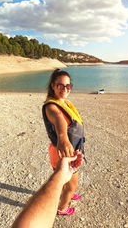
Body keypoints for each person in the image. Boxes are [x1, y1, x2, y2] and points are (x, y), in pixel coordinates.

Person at [42, 69, 86, 215]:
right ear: (53, 86)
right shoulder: (51, 106)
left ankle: (66, 190)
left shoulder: (64, 102)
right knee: (73, 184)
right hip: (64, 151)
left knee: (63, 178)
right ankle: (62, 208)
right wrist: (63, 138)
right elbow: (59, 118)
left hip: (65, 150)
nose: (65, 89)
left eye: (68, 86)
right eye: (60, 85)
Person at [12, 153, 83, 228]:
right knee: (71, 187)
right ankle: (62, 208)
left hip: (60, 159)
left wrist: (60, 177)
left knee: (68, 186)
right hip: (68, 157)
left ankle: (64, 195)